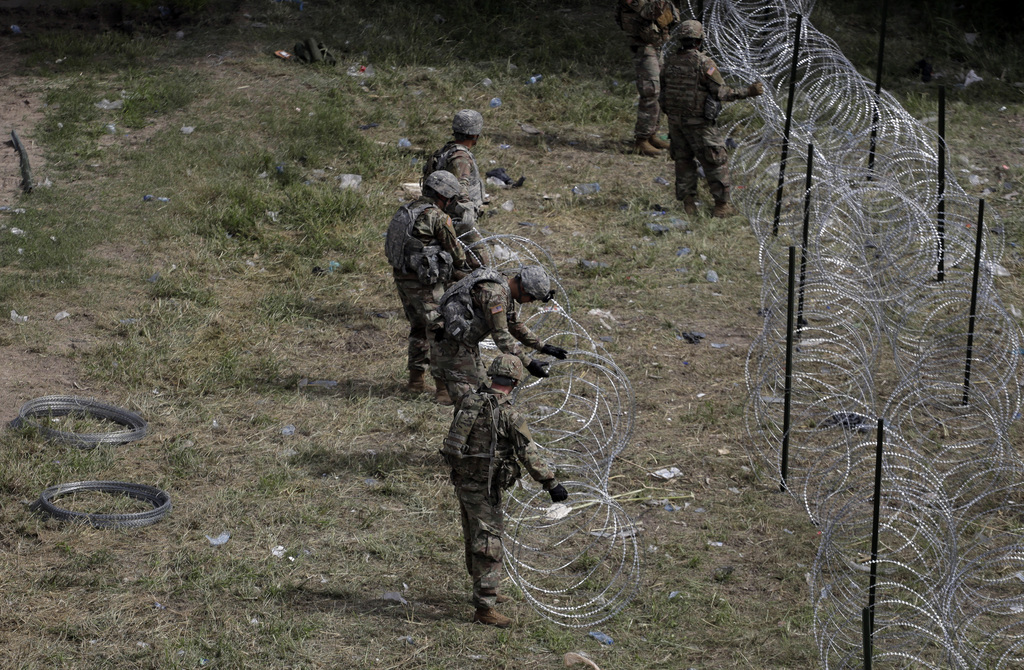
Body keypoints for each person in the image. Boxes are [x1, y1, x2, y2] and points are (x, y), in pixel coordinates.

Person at [440, 354, 569, 627]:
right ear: (514, 382)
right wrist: (551, 483)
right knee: (489, 544)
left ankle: (487, 588)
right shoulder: (509, 414)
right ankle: (484, 607)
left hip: (463, 481)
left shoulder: (468, 401)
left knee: (472, 535)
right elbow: (529, 453)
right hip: (487, 488)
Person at [660, 19, 764, 218]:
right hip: (699, 124)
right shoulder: (704, 63)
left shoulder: (670, 61)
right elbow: (721, 92)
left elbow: (663, 91)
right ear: (699, 40)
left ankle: (689, 204)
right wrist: (748, 91)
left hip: (676, 122)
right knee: (716, 162)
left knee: (683, 162)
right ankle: (721, 206)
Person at [385, 170, 471, 405]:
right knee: (438, 331)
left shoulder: (407, 210)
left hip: (403, 278)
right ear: (444, 196)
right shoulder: (436, 216)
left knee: (418, 329)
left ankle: (415, 381)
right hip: (425, 283)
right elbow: (457, 253)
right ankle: (442, 389)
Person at [432, 265, 568, 407]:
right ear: (523, 289)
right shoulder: (496, 296)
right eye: (532, 297)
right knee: (469, 403)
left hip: (466, 345)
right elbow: (501, 335)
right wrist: (528, 363)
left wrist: (543, 346)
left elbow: (514, 324)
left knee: (482, 394)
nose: (532, 301)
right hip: (452, 347)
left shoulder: (503, 287)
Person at [424, 110, 491, 268]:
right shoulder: (460, 157)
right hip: (457, 218)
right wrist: (466, 218)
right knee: (480, 262)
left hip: (442, 215)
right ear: (475, 135)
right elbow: (461, 189)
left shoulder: (445, 152)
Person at [615, 0, 680, 157]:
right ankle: (642, 139)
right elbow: (647, 12)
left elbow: (673, 15)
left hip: (655, 44)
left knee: (660, 88)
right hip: (642, 46)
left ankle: (652, 134)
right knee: (651, 90)